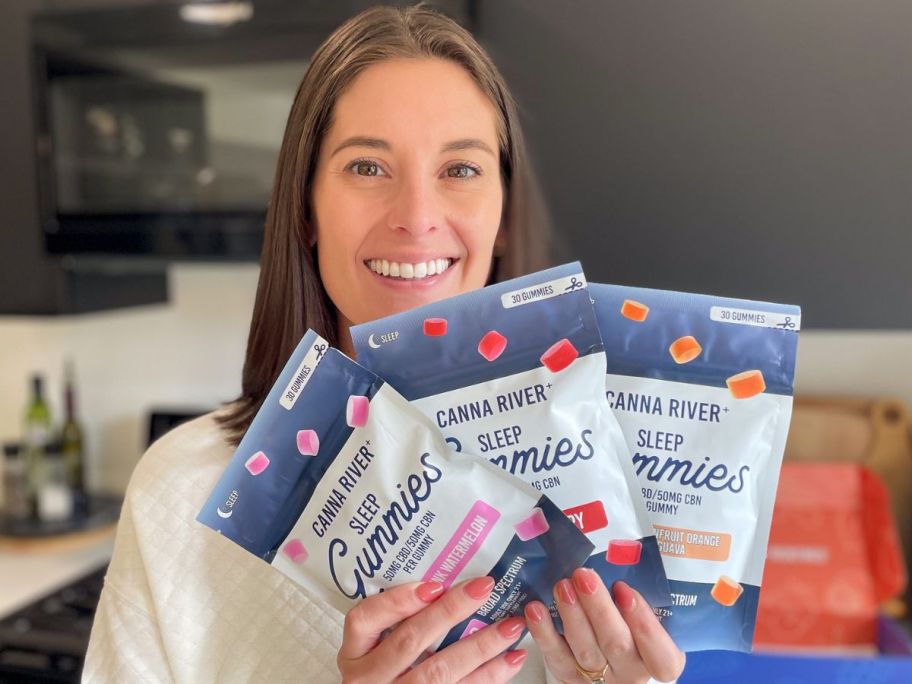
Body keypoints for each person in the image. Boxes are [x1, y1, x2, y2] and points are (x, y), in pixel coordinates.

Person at [84, 6, 685, 683]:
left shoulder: (620, 481)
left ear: (504, 215)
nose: (417, 218)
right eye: (367, 166)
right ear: (306, 210)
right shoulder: (179, 494)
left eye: (460, 169)